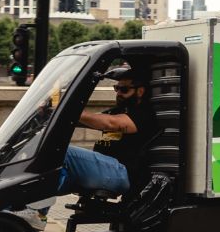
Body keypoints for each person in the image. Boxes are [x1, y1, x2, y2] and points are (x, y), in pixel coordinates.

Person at [60, 65, 156, 197]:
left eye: (124, 89)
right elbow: (90, 121)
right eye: (117, 88)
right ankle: (34, 211)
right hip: (104, 168)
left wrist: (69, 110)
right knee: (51, 170)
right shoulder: (116, 111)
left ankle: (36, 213)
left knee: (64, 153)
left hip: (123, 172)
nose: (118, 94)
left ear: (140, 91)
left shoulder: (145, 113)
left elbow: (111, 123)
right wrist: (50, 117)